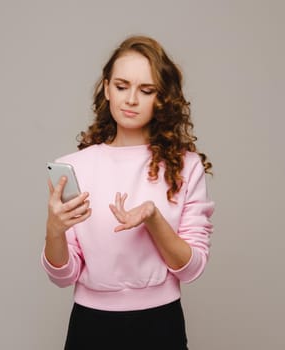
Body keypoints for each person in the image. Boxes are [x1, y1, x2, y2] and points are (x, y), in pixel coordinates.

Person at [41, 35, 215, 350]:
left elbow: (192, 268)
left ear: (162, 99)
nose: (131, 99)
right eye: (122, 86)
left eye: (146, 90)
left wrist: (153, 217)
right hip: (90, 324)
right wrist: (54, 231)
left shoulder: (186, 167)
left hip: (161, 323)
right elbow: (64, 276)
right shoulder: (73, 167)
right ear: (107, 88)